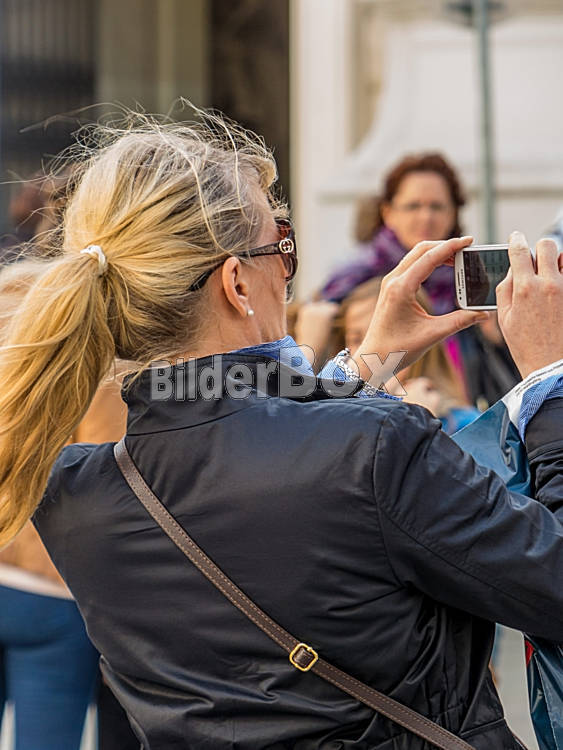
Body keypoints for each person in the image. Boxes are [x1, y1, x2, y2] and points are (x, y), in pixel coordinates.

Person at [0, 115, 561, 750]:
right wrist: (550, 381)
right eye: (282, 246)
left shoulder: (73, 494)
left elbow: (228, 423)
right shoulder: (375, 446)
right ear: (237, 283)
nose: (289, 270)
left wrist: (365, 369)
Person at [320, 153, 465, 314]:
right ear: (388, 213)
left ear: (453, 214)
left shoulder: (469, 282)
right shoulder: (354, 278)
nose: (426, 217)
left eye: (436, 206)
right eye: (413, 206)